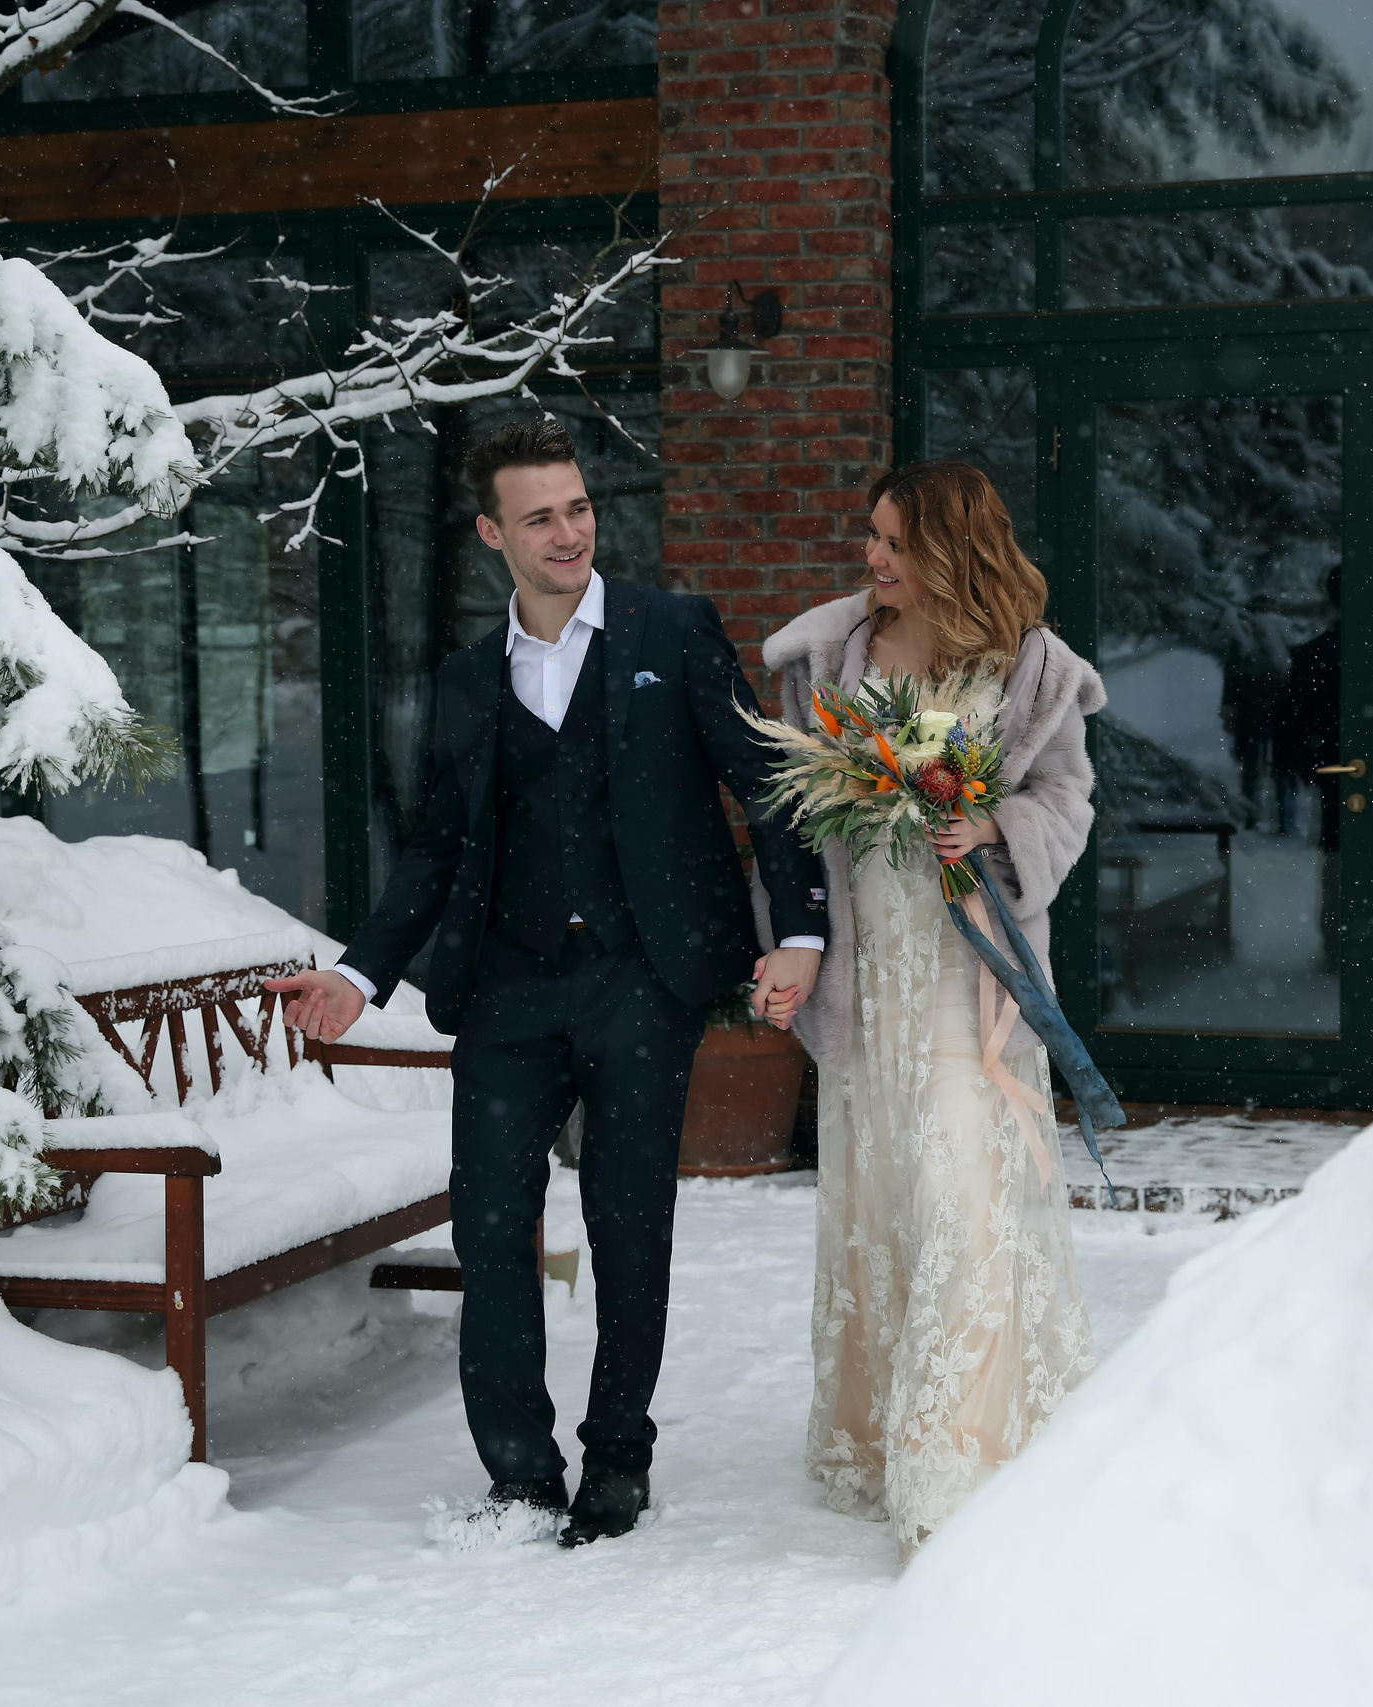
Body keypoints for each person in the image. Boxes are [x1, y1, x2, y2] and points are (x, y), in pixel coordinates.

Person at [264, 418, 828, 1548]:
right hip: (512, 987)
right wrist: (360, 973)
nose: (568, 532)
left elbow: (765, 785)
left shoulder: (673, 630)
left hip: (642, 977)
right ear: (492, 534)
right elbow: (434, 847)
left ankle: (618, 1455)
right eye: (541, 516)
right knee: (492, 1226)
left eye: (577, 508)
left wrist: (802, 934)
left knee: (628, 1228)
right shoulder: (472, 680)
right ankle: (518, 1471)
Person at [759, 459, 1102, 1563]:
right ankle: (877, 1432)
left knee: (965, 1185)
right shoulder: (833, 656)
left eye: (894, 543)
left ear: (953, 550)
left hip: (971, 977)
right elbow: (791, 814)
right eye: (872, 537)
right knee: (886, 1192)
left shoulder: (1030, 666)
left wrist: (991, 826)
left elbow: (1067, 798)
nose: (873, 558)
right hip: (873, 966)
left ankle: (952, 1465)